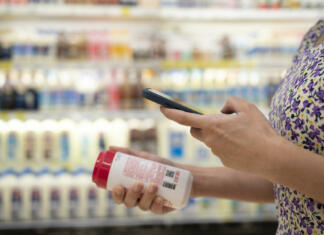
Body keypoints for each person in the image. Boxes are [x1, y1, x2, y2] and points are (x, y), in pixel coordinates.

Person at [110, 19, 324, 235]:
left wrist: (266, 152)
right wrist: (188, 179)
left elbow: (284, 166)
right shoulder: (316, 33)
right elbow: (290, 184)